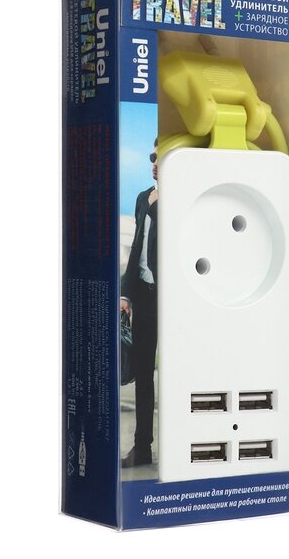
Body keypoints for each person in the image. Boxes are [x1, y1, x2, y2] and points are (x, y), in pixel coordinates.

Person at [120, 139, 158, 467]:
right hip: (145, 295)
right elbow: (136, 246)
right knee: (144, 374)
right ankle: (142, 448)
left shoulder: (183, 195)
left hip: (174, 300)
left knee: (178, 370)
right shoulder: (144, 197)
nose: (155, 163)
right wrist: (125, 293)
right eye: (153, 157)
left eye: (163, 158)